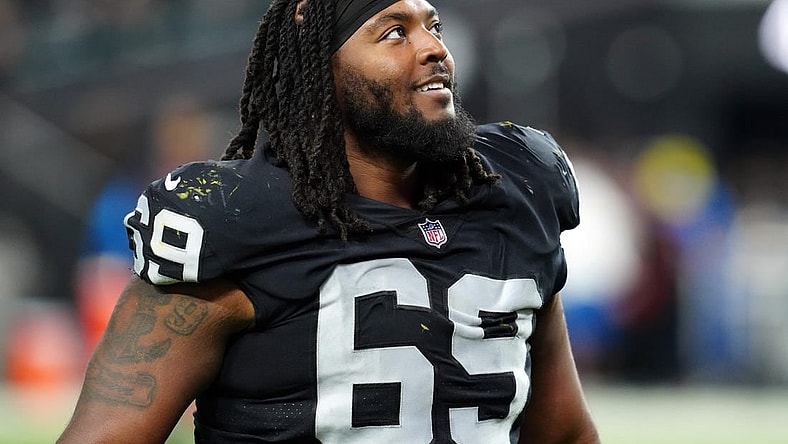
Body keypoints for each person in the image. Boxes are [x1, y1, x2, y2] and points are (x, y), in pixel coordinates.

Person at [57, 0, 599, 443]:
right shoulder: (238, 225)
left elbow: (565, 432)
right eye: (394, 32)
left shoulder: (512, 194)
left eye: (433, 26)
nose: (434, 48)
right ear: (323, 70)